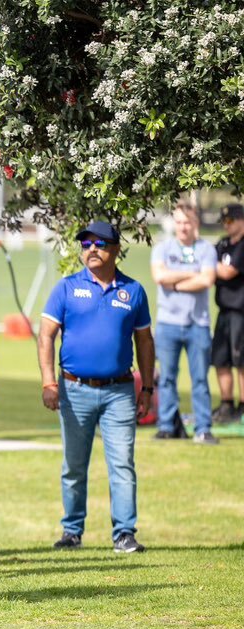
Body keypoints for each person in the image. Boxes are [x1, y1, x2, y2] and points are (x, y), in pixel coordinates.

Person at [38, 220, 154, 554]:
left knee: (122, 464)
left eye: (100, 244)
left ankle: (124, 533)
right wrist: (48, 381)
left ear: (116, 249)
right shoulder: (66, 287)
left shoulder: (133, 291)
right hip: (74, 390)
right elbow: (46, 335)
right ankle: (72, 531)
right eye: (86, 244)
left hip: (119, 391)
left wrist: (146, 389)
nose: (91, 249)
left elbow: (145, 342)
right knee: (74, 465)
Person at [150, 203, 218, 443]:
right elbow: (159, 276)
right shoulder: (162, 249)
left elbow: (207, 279)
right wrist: (192, 273)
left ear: (195, 224)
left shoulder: (206, 249)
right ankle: (167, 426)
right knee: (167, 378)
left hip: (197, 324)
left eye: (187, 222)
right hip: (168, 323)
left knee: (200, 379)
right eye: (178, 222)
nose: (183, 227)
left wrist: (175, 281)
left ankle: (203, 429)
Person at [213, 203, 244, 423]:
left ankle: (242, 406)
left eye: (230, 221)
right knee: (221, 358)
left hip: (241, 311)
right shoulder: (222, 244)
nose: (226, 225)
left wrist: (208, 266)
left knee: (241, 360)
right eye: (224, 221)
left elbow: (228, 271)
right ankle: (226, 404)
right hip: (223, 310)